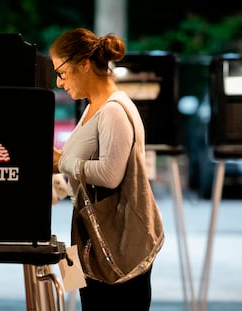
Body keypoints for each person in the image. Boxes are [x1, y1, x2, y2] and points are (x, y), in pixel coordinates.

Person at [50, 28, 164, 310]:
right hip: (91, 236)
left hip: (114, 242)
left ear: (84, 64)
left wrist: (61, 162)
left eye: (61, 71)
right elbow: (81, 167)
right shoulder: (93, 106)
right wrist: (59, 175)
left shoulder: (113, 109)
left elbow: (110, 174)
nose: (59, 81)